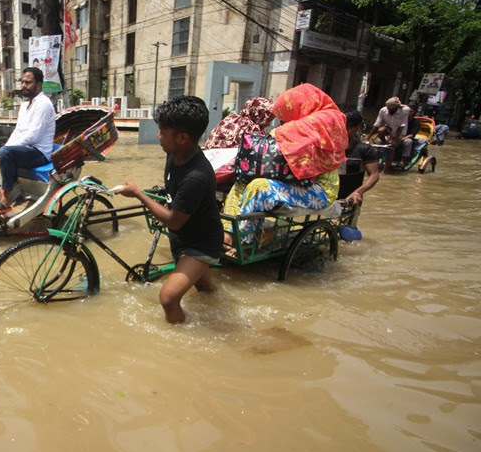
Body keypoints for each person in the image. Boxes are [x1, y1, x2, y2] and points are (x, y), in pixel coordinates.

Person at [116, 96, 223, 324]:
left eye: (163, 132)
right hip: (185, 235)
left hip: (201, 243)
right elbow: (173, 192)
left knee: (168, 298)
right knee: (204, 288)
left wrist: (138, 194)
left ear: (182, 137)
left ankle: (181, 338)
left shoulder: (197, 177)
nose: (158, 136)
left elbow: (174, 221)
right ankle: (220, 311)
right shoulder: (175, 154)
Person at [222, 83, 347, 246]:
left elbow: (295, 145)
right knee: (241, 181)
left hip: (319, 189)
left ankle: (243, 241)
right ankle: (228, 231)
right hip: (296, 181)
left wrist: (275, 137)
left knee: (261, 187)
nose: (282, 120)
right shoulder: (304, 125)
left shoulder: (324, 122)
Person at [0, 67, 56, 214]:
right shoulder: (24, 105)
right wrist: (2, 151)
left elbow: (33, 136)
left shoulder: (44, 104)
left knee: (6, 152)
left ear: (38, 85)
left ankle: (7, 198)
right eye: (22, 82)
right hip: (25, 150)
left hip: (39, 152)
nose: (23, 86)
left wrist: (4, 151)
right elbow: (17, 132)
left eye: (28, 82)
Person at [338, 111, 381, 206]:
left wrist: (358, 192)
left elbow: (374, 175)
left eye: (347, 128)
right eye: (340, 127)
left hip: (351, 200)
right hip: (328, 198)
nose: (342, 131)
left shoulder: (365, 149)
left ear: (357, 128)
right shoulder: (328, 148)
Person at [203, 96, 274, 149]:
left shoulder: (231, 118)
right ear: (259, 114)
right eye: (268, 120)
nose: (269, 124)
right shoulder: (252, 128)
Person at [365, 97, 411, 173]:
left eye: (391, 109)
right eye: (388, 109)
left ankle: (386, 169)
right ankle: (374, 166)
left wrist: (394, 140)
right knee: (379, 140)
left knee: (391, 148)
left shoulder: (404, 110)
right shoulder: (383, 110)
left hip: (400, 134)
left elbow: (401, 127)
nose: (389, 111)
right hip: (388, 132)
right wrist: (367, 138)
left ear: (396, 107)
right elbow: (376, 125)